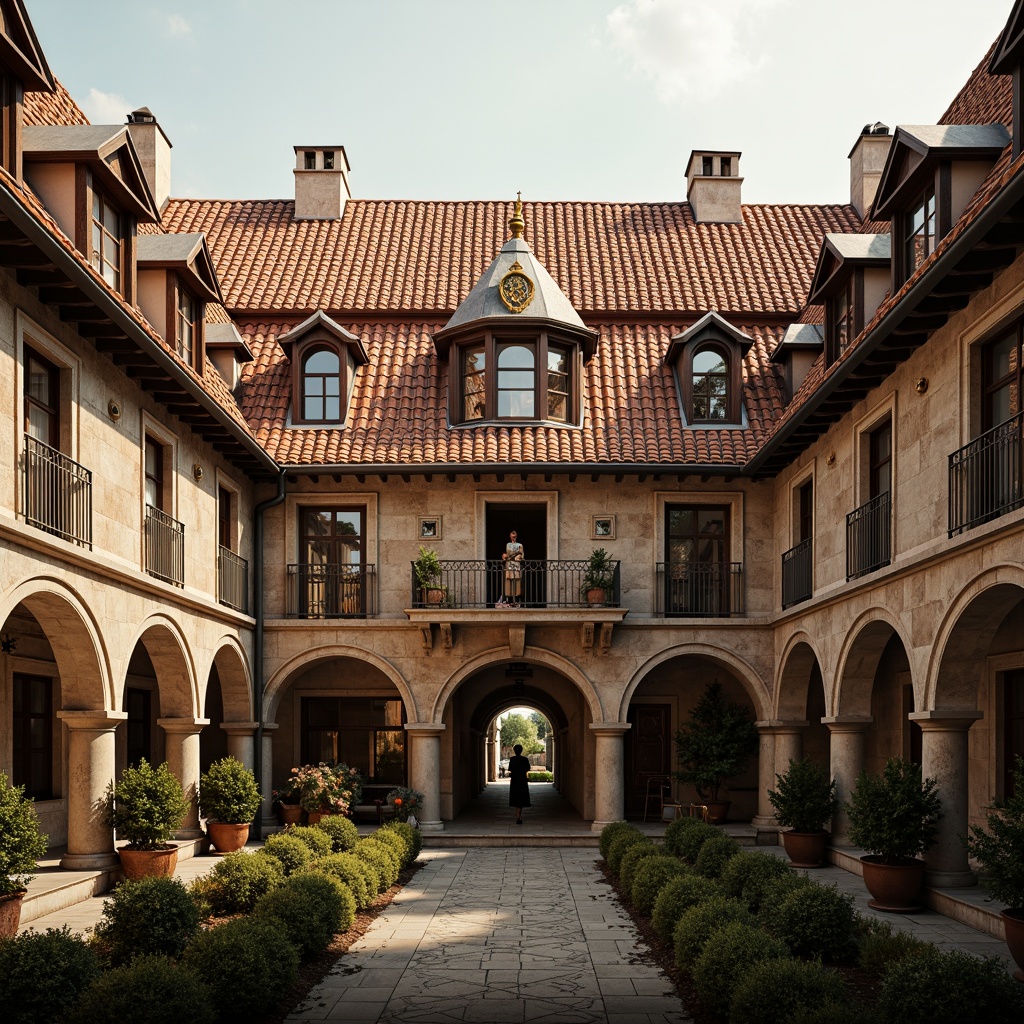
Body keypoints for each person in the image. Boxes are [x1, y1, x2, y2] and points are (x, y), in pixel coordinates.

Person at [507, 743, 531, 824]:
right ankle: (519, 816)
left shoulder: (512, 759)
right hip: (522, 780)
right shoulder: (525, 759)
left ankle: (518, 816)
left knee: (516, 798)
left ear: (514, 751)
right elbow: (528, 768)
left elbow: (510, 769)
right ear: (521, 751)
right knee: (521, 799)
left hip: (514, 781)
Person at [502, 530, 524, 606]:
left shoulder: (520, 545)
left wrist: (517, 555)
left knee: (517, 581)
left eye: (514, 537)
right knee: (508, 580)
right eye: (512, 537)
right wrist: (515, 553)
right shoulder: (508, 544)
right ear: (510, 537)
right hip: (509, 563)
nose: (513, 538)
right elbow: (508, 553)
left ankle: (517, 600)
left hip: (516, 563)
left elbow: (521, 554)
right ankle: (508, 599)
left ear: (516, 537)